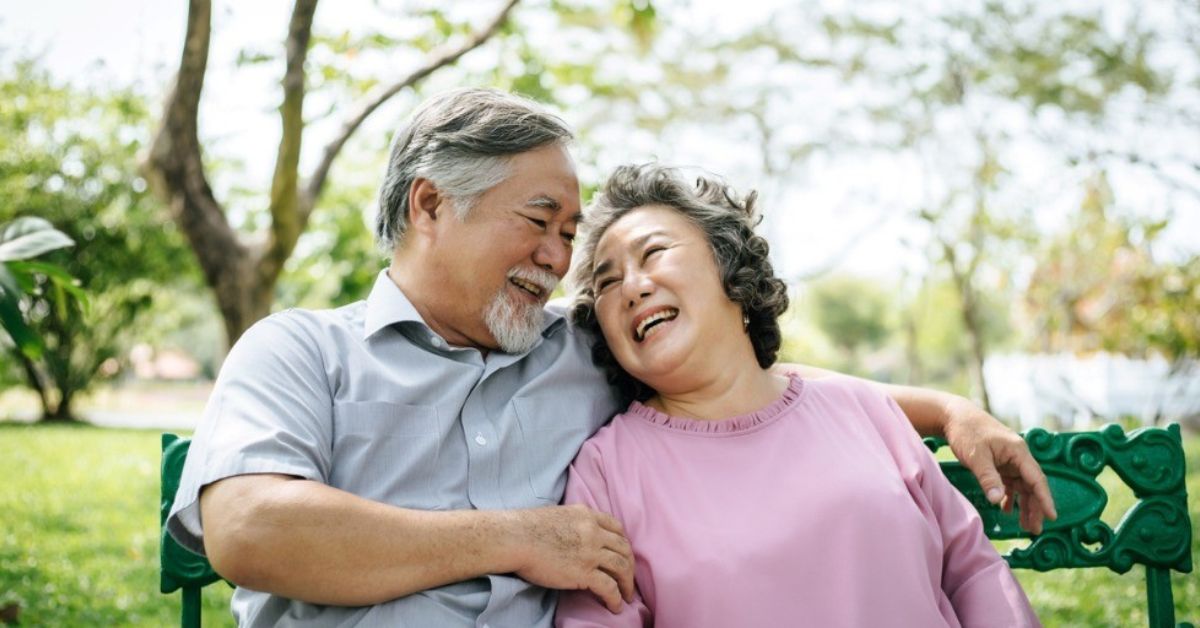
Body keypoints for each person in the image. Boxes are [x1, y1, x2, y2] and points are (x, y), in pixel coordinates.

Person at [166, 88, 1054, 626]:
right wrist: (517, 538)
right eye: (541, 222)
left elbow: (745, 380)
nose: (561, 261)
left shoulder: (583, 347)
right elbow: (251, 531)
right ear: (432, 205)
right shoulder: (298, 352)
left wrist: (942, 409)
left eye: (567, 237)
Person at [555, 164, 1040, 627]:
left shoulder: (861, 408)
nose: (632, 288)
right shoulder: (606, 471)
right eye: (607, 282)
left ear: (730, 267)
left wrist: (953, 409)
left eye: (654, 252)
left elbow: (973, 570)